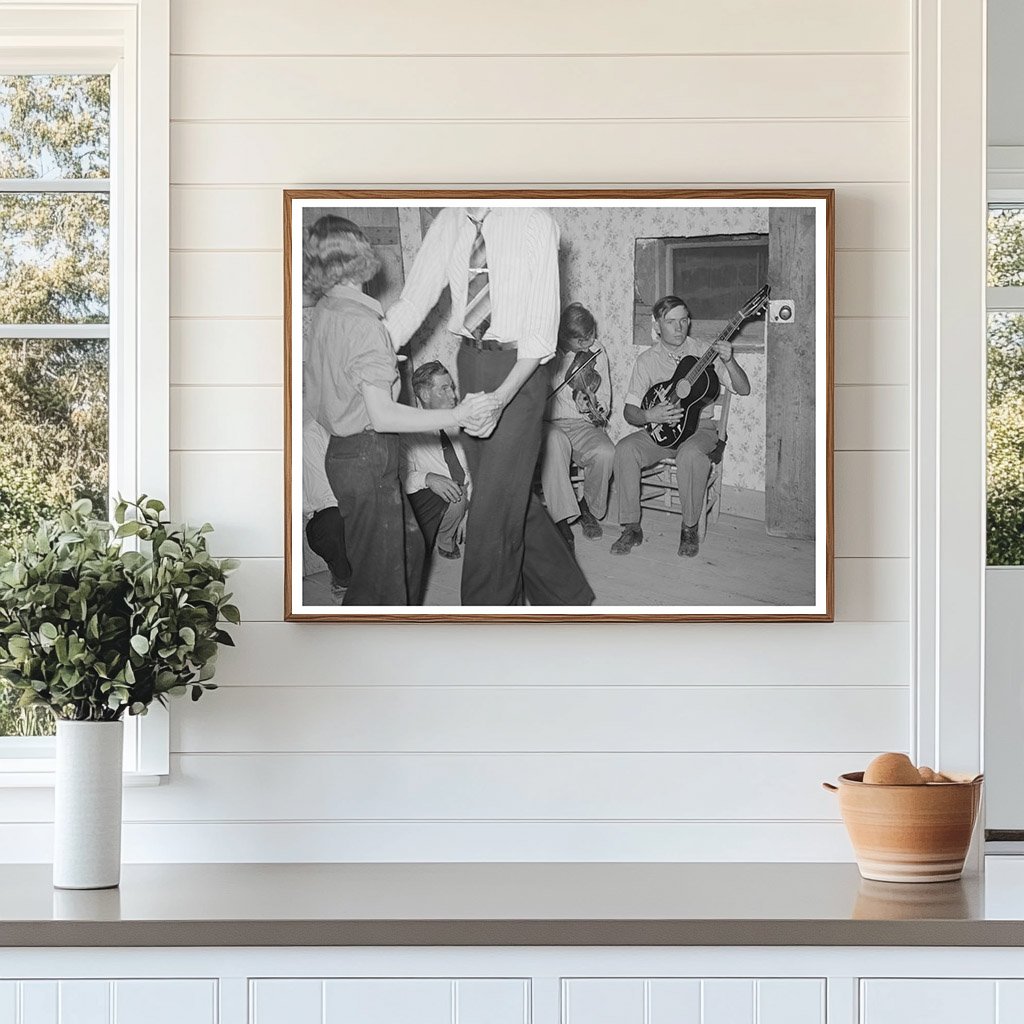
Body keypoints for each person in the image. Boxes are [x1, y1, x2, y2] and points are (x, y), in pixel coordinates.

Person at [385, 206, 594, 606]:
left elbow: (540, 331)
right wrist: (371, 351)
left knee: (490, 511)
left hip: (521, 369)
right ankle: (566, 593)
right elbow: (414, 301)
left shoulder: (533, 222)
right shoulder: (448, 222)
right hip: (471, 361)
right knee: (506, 493)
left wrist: (500, 399)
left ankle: (487, 624)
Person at [303, 214, 496, 605]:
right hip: (368, 452)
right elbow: (385, 416)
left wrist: (378, 364)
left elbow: (330, 383)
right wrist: (457, 415)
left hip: (341, 455)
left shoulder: (327, 311)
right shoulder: (364, 323)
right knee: (382, 577)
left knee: (407, 545)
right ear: (360, 254)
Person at [611, 294, 751, 558]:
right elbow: (629, 412)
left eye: (684, 320)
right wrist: (651, 415)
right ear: (657, 326)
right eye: (671, 321)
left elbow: (743, 389)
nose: (679, 327)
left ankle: (689, 528)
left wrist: (730, 360)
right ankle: (631, 527)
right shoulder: (646, 361)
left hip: (700, 429)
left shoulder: (704, 352)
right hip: (660, 432)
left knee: (690, 455)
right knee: (625, 449)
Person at [541, 302, 614, 551]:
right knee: (555, 442)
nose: (589, 344)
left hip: (581, 424)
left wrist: (593, 409)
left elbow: (604, 401)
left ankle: (588, 509)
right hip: (548, 424)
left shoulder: (597, 351)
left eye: (591, 335)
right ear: (564, 337)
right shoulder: (546, 353)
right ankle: (562, 519)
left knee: (606, 452)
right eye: (581, 341)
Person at [402, 360, 471, 561]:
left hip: (468, 491)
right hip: (438, 499)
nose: (453, 395)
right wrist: (428, 478)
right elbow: (400, 476)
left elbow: (478, 468)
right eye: (444, 389)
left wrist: (473, 509)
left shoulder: (462, 420)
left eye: (452, 387)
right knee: (455, 496)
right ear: (425, 395)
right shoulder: (407, 428)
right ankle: (444, 537)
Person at [302, 412, 351, 601]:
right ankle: (342, 579)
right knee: (334, 521)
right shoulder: (311, 433)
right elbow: (325, 496)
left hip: (358, 505)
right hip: (328, 513)